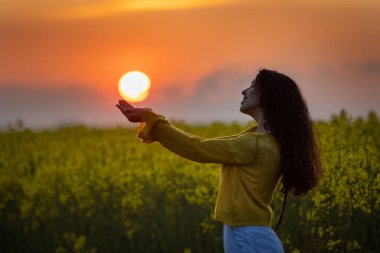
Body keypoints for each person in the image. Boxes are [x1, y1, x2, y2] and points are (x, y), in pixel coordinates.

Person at [116, 69, 323, 253]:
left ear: (269, 97)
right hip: (250, 236)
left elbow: (197, 147)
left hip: (248, 238)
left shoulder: (255, 145)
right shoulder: (260, 140)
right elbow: (201, 144)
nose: (244, 91)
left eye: (253, 86)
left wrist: (152, 120)